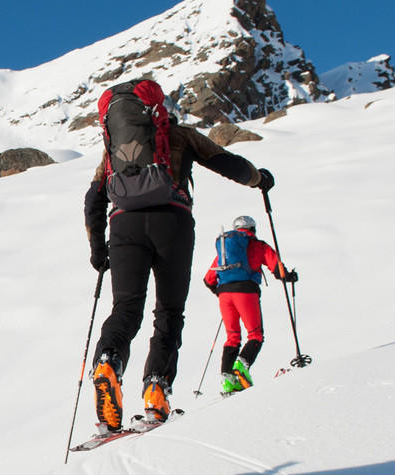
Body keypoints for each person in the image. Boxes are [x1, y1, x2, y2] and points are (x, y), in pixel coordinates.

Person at [85, 78, 270, 430]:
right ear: (158, 109)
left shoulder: (113, 153)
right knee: (168, 312)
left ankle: (108, 363)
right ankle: (156, 390)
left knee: (126, 309)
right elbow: (227, 163)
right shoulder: (178, 135)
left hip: (124, 227)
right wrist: (259, 179)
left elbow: (94, 198)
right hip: (173, 223)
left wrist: (98, 250)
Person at [203, 215, 296, 394]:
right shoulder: (258, 245)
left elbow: (208, 280)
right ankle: (240, 370)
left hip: (225, 295)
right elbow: (278, 269)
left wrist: (222, 292)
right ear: (252, 229)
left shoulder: (225, 251)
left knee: (232, 337)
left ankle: (228, 380)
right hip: (246, 292)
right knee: (255, 335)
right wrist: (290, 276)